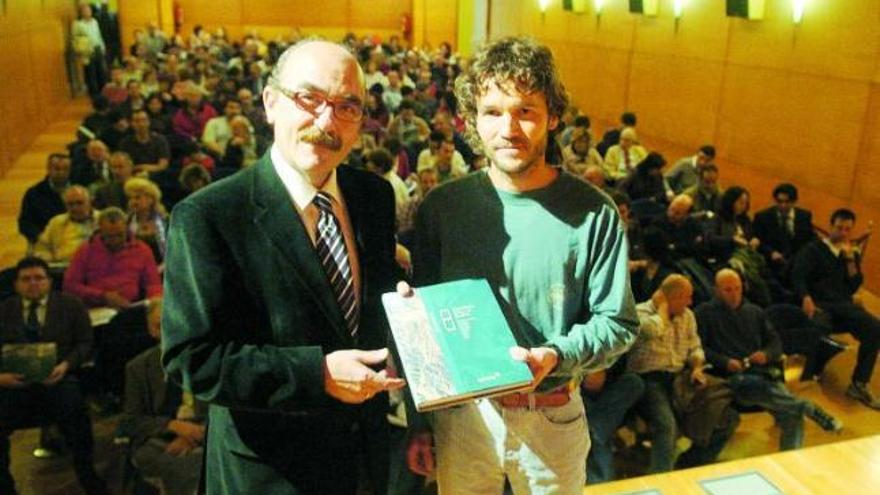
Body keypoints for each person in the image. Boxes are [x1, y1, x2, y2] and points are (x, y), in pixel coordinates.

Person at [161, 40, 405, 495]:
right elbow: (192, 359)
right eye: (308, 99)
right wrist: (317, 375)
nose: (326, 121)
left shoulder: (373, 195)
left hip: (364, 460)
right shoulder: (208, 216)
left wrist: (405, 306)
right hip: (268, 472)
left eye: (347, 106)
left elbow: (366, 305)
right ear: (271, 103)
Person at [406, 37, 639, 493]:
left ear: (553, 116)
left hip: (551, 414)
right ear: (473, 119)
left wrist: (556, 354)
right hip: (464, 419)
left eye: (525, 111)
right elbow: (425, 333)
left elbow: (619, 322)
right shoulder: (442, 208)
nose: (508, 128)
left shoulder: (594, 213)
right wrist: (420, 422)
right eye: (492, 111)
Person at [696, 269, 842, 451]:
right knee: (758, 386)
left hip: (762, 373)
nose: (734, 294)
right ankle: (811, 409)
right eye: (728, 290)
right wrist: (725, 361)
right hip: (730, 379)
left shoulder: (755, 312)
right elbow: (699, 348)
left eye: (737, 288)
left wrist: (765, 354)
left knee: (791, 413)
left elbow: (775, 342)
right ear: (716, 290)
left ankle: (791, 456)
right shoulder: (704, 314)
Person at [0, 257, 107, 495]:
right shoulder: (5, 310)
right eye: (26, 279)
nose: (33, 284)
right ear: (16, 284)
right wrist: (2, 377)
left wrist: (66, 365)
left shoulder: (70, 305)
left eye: (39, 278)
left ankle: (86, 473)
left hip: (58, 380)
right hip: (12, 385)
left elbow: (85, 342)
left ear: (49, 281)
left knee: (75, 410)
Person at [628, 275, 738, 472]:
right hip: (649, 381)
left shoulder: (687, 315)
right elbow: (650, 331)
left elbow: (695, 347)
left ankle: (687, 466)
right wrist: (662, 309)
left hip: (681, 378)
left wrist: (696, 367)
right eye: (686, 297)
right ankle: (661, 481)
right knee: (667, 427)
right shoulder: (639, 313)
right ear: (673, 297)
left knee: (727, 417)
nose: (690, 302)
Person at [791, 208, 880, 409]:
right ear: (831, 226)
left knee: (875, 328)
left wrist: (850, 261)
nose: (843, 233)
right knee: (818, 328)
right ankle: (806, 378)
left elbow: (855, 284)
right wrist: (805, 297)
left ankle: (859, 384)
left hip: (843, 307)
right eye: (839, 228)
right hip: (820, 305)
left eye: (848, 229)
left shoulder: (849, 254)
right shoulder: (813, 250)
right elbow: (798, 276)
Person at [122, 301, 204, 495]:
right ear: (151, 330)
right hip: (159, 438)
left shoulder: (207, 360)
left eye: (173, 323)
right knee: (166, 461)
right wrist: (173, 426)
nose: (168, 331)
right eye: (159, 325)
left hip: (206, 434)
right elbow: (130, 420)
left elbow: (226, 413)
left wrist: (194, 436)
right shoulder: (138, 368)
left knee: (187, 465)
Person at [753, 183, 817, 279]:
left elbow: (809, 239)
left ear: (794, 201)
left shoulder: (804, 216)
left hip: (796, 263)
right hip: (772, 264)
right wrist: (771, 252)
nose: (783, 205)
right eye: (779, 201)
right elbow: (758, 241)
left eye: (787, 202)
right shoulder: (763, 217)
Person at [33, 186, 99, 265]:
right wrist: (48, 260)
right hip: (63, 267)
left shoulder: (102, 220)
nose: (75, 208)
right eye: (70, 204)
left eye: (80, 203)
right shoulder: (56, 222)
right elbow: (42, 248)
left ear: (90, 202)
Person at [18, 154, 70, 248]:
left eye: (65, 169)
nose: (61, 173)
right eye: (57, 169)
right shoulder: (34, 193)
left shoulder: (79, 191)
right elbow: (25, 223)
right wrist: (39, 236)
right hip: (43, 242)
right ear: (49, 169)